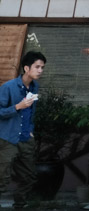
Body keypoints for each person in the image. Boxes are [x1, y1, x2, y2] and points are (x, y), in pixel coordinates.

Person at [0, 51, 45, 209]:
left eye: (42, 67)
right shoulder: (8, 87)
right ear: (26, 68)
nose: (40, 70)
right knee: (2, 178)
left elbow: (31, 112)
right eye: (37, 67)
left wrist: (31, 130)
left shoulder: (35, 86)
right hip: (8, 139)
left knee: (29, 177)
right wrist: (18, 106)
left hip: (26, 138)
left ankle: (20, 204)